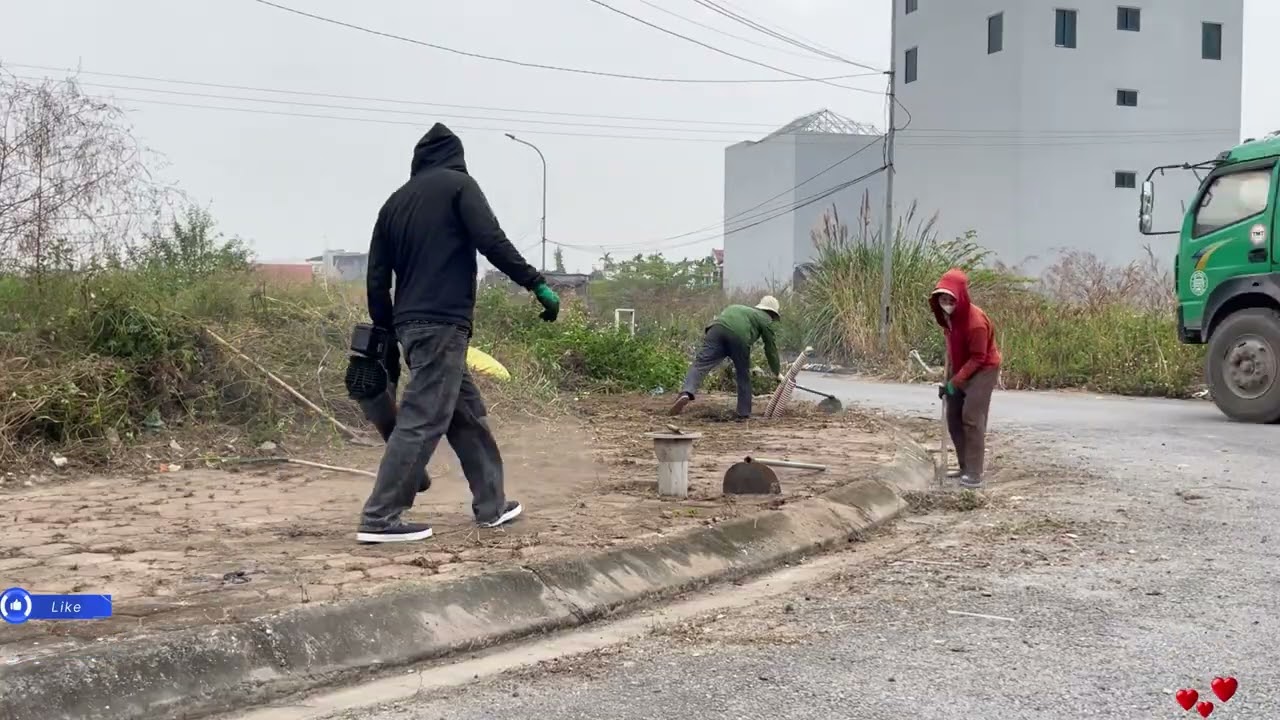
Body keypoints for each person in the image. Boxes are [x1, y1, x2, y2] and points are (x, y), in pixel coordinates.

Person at [358, 123, 560, 544]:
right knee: (423, 417)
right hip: (442, 323)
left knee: (466, 414)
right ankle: (380, 516)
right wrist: (535, 283)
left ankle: (492, 504)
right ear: (456, 157)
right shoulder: (459, 186)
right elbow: (491, 239)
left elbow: (377, 278)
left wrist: (385, 331)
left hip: (412, 327)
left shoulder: (393, 204)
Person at [929, 268, 1002, 489]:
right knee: (953, 416)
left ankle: (974, 472)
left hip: (983, 369)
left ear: (960, 297)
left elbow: (978, 358)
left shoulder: (976, 323)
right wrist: (949, 382)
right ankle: (963, 465)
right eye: (942, 299)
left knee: (971, 417)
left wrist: (956, 382)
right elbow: (953, 350)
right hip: (961, 367)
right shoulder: (947, 318)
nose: (946, 303)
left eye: (951, 299)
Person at [669, 296, 783, 420]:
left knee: (700, 364)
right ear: (771, 313)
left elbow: (732, 332)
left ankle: (686, 392)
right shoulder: (765, 319)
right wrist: (776, 372)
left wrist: (752, 366)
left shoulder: (738, 308)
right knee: (743, 374)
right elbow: (770, 349)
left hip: (716, 330)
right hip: (738, 336)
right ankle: (743, 412)